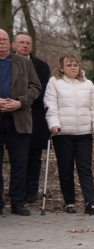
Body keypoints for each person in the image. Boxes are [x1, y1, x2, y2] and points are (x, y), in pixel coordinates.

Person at [43, 55, 94, 215]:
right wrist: (53, 125)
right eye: (69, 65)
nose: (73, 67)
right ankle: (69, 202)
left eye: (75, 65)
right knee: (66, 169)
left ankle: (90, 203)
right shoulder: (54, 83)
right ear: (61, 68)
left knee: (85, 168)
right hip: (62, 133)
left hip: (84, 133)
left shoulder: (88, 84)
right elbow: (51, 106)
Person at [0, 29, 42, 216]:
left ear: (10, 43)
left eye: (4, 39)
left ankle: (17, 202)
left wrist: (20, 102)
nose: (2, 42)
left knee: (19, 163)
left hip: (19, 118)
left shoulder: (23, 62)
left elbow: (35, 86)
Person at [13, 32, 50, 203]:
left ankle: (32, 191)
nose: (25, 45)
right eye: (21, 42)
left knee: (34, 156)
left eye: (28, 43)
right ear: (14, 45)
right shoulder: (6, 63)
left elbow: (41, 91)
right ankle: (17, 192)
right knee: (18, 157)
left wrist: (22, 100)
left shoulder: (41, 66)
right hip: (12, 115)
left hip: (35, 116)